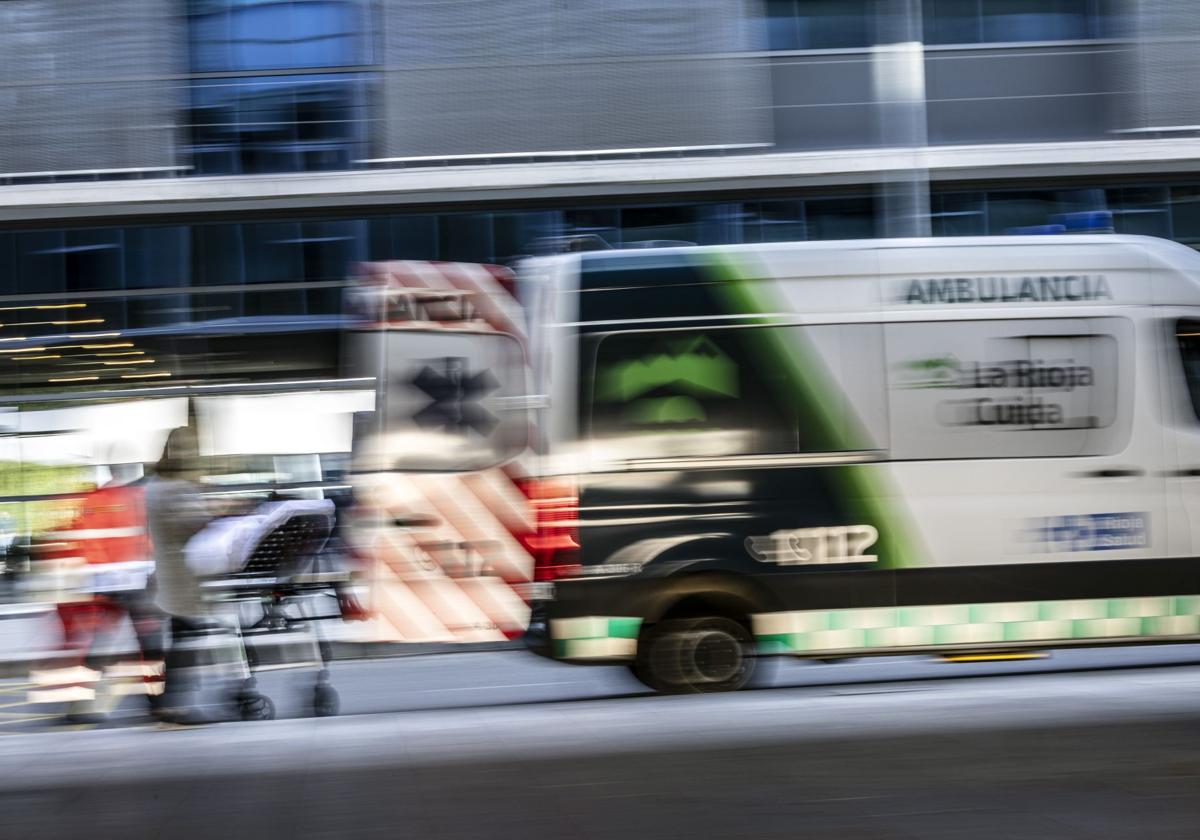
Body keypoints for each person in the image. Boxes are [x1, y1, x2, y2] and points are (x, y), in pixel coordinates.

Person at [144, 424, 220, 723]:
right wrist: (213, 508)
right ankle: (170, 706)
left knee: (179, 639)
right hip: (181, 578)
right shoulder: (174, 488)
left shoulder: (156, 484)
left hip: (168, 575)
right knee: (186, 640)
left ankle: (164, 704)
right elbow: (194, 523)